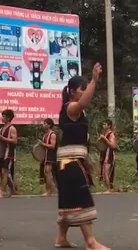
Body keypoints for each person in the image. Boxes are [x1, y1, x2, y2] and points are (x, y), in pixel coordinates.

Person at [54, 63, 109, 250]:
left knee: (68, 199)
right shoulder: (70, 108)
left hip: (70, 161)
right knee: (81, 198)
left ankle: (61, 238)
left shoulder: (76, 112)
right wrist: (94, 79)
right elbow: (84, 102)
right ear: (72, 92)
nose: (84, 92)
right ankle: (90, 242)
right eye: (82, 89)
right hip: (69, 162)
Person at [0, 109, 18, 197]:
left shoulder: (12, 128)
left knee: (4, 171)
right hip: (2, 153)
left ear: (8, 118)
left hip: (9, 153)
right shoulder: (1, 129)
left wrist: (2, 138)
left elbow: (15, 140)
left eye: (4, 116)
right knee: (4, 172)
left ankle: (2, 191)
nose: (2, 118)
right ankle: (12, 189)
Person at [40, 118, 57, 196]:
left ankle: (48, 191)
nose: (43, 125)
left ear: (49, 125)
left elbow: (53, 146)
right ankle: (52, 190)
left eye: (45, 123)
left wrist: (43, 144)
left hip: (51, 156)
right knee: (46, 173)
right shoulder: (45, 135)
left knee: (48, 173)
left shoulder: (52, 134)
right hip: (45, 156)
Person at [99, 119, 117, 194]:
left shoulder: (111, 134)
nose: (103, 125)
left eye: (105, 124)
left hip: (109, 155)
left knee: (106, 172)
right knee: (103, 173)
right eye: (103, 124)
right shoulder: (105, 134)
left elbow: (113, 146)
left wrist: (105, 139)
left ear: (109, 126)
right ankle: (108, 188)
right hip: (104, 155)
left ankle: (109, 189)